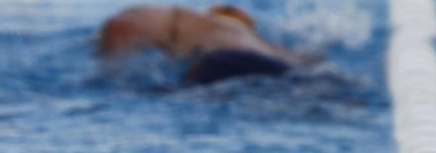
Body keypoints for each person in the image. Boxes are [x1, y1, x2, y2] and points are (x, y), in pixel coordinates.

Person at [97, 4, 298, 84]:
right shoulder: (269, 46)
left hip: (220, 61)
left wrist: (110, 70)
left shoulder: (182, 17)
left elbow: (120, 23)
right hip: (280, 71)